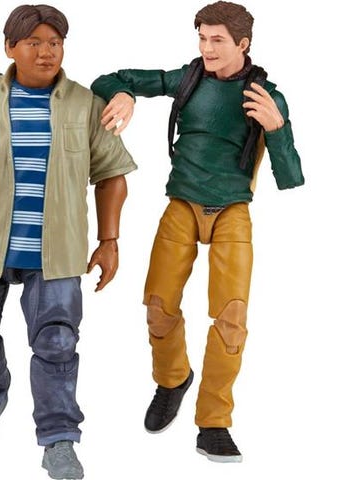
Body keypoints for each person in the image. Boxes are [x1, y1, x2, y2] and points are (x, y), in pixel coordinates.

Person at [0, 4, 136, 479]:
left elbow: (112, 174)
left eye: (54, 43)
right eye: (33, 43)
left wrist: (110, 239)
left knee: (58, 345)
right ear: (9, 47)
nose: (45, 52)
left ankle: (58, 437)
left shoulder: (85, 104)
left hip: (56, 252)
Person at [91, 0, 303, 463]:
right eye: (202, 38)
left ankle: (214, 422)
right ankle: (172, 381)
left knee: (231, 319)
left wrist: (277, 128)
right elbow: (109, 79)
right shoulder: (187, 79)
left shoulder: (264, 95)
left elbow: (290, 177)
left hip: (232, 212)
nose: (207, 48)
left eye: (217, 40)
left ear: (243, 44)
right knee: (158, 304)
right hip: (181, 206)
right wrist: (123, 94)